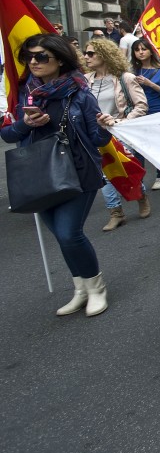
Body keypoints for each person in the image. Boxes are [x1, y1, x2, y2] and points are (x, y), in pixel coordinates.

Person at [2, 35, 112, 316]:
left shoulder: (80, 93)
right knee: (62, 237)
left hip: (78, 172)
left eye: (41, 57)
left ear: (60, 59)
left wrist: (105, 126)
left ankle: (97, 289)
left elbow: (97, 139)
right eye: (29, 57)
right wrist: (25, 124)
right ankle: (81, 290)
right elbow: (7, 133)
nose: (33, 62)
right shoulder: (26, 91)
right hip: (38, 174)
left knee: (69, 233)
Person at [85, 37, 149, 230]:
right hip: (95, 134)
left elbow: (141, 105)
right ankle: (116, 212)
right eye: (85, 53)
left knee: (125, 170)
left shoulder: (124, 77)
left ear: (104, 55)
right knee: (105, 174)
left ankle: (141, 195)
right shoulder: (85, 81)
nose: (86, 57)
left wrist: (121, 122)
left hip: (119, 133)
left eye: (90, 53)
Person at [130, 37, 160, 190]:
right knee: (138, 147)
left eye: (143, 49)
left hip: (158, 112)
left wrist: (150, 84)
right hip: (139, 113)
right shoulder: (132, 72)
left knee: (158, 146)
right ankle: (138, 180)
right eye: (137, 50)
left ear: (150, 51)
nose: (140, 52)